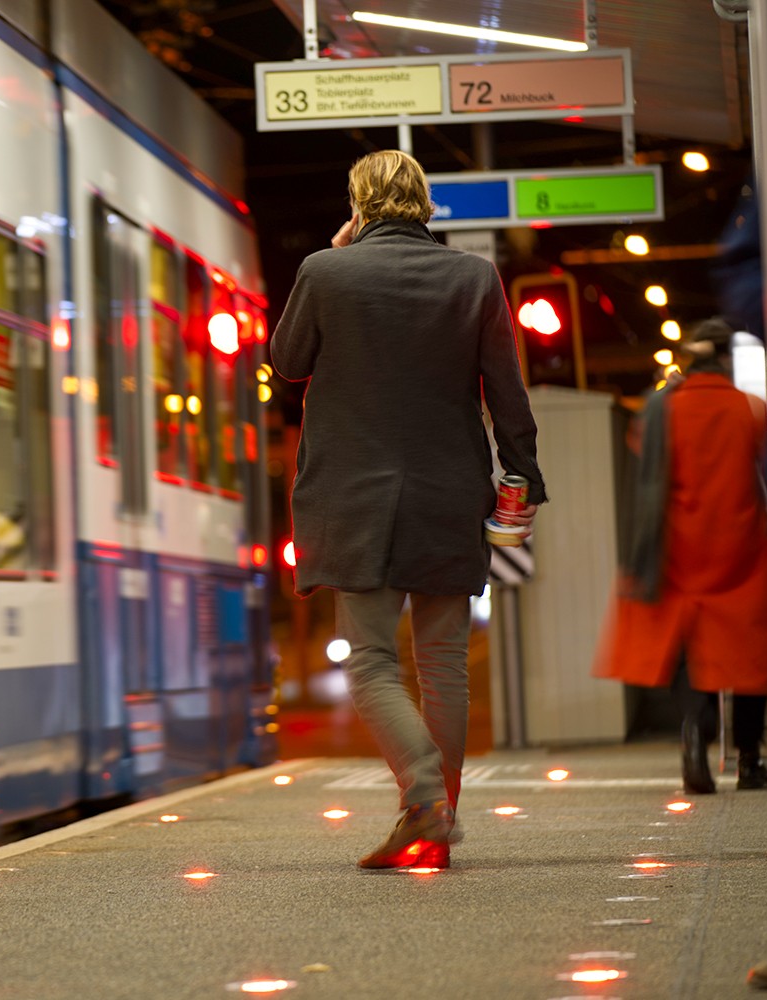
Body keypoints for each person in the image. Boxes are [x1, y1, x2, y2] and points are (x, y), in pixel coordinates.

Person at [271, 150, 545, 870]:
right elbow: (505, 390)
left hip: (353, 496)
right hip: (448, 490)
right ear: (425, 205)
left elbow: (288, 360)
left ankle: (423, 798)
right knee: (444, 663)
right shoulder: (474, 277)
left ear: (357, 206)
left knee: (370, 660)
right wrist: (523, 476)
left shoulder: (325, 272)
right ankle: (434, 825)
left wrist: (332, 259)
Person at [593, 318, 767, 794]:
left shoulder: (663, 411)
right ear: (725, 359)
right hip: (741, 549)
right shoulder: (751, 409)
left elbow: (641, 448)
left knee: (690, 650)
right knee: (748, 655)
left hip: (680, 546)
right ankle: (750, 760)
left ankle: (696, 730)